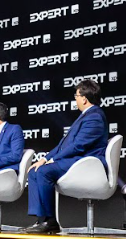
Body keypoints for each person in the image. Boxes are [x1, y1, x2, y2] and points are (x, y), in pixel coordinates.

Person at [22, 80, 108, 234]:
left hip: (86, 163)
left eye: (76, 96)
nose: (75, 99)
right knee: (34, 171)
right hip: (75, 160)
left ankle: (50, 221)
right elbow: (62, 145)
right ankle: (42, 220)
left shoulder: (94, 117)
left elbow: (78, 146)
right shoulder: (85, 116)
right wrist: (44, 159)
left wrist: (52, 160)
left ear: (84, 98)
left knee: (44, 172)